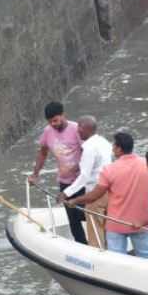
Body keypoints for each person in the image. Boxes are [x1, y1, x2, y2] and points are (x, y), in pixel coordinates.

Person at [68, 133, 148, 259]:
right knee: (146, 256)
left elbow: (94, 196)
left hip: (117, 225)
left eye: (114, 145)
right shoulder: (147, 166)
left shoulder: (109, 170)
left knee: (117, 259)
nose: (113, 148)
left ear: (119, 148)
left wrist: (75, 201)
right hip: (141, 223)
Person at [28, 101, 87, 245]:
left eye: (55, 120)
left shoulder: (76, 130)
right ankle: (82, 247)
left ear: (63, 115)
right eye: (50, 121)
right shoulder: (48, 131)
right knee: (73, 219)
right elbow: (43, 153)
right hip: (65, 183)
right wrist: (35, 175)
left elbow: (88, 156)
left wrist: (73, 170)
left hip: (83, 182)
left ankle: (101, 247)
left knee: (86, 215)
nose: (53, 124)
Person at [57, 116, 111, 249]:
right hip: (108, 190)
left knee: (94, 229)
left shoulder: (89, 149)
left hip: (95, 192)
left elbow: (84, 176)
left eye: (79, 129)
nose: (77, 132)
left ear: (87, 131)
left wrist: (66, 192)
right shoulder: (104, 142)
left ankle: (96, 259)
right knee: (105, 226)